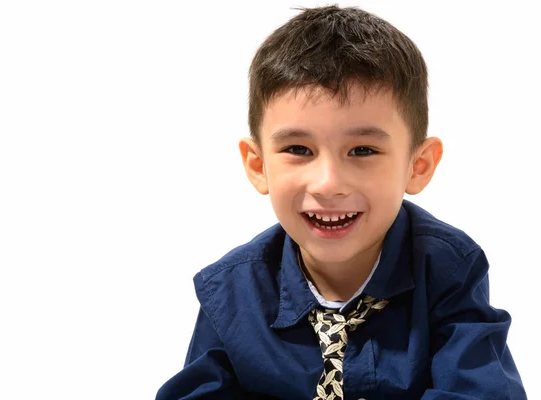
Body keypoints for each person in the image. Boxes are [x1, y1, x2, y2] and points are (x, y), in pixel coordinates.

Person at [156, 5, 527, 399]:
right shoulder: (231, 290)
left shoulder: (449, 269)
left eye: (363, 150)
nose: (328, 184)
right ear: (258, 165)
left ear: (417, 166)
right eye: (298, 149)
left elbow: (481, 392)